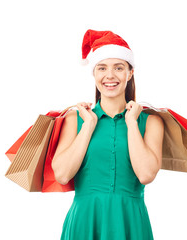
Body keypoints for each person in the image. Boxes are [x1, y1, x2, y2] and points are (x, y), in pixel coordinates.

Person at [52, 29, 164, 240]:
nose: (110, 75)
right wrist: (89, 125)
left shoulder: (151, 122)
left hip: (130, 222)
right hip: (85, 223)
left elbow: (146, 175)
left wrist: (131, 123)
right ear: (94, 73)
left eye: (119, 68)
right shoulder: (74, 120)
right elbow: (63, 174)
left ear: (130, 73)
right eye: (102, 68)